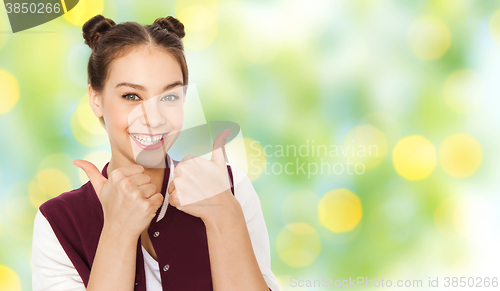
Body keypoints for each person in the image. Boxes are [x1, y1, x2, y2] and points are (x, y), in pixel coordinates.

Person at [31, 14, 280, 291]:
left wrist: (224, 215)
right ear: (96, 99)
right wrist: (118, 231)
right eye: (132, 96)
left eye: (169, 97)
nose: (154, 118)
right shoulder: (58, 221)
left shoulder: (231, 190)